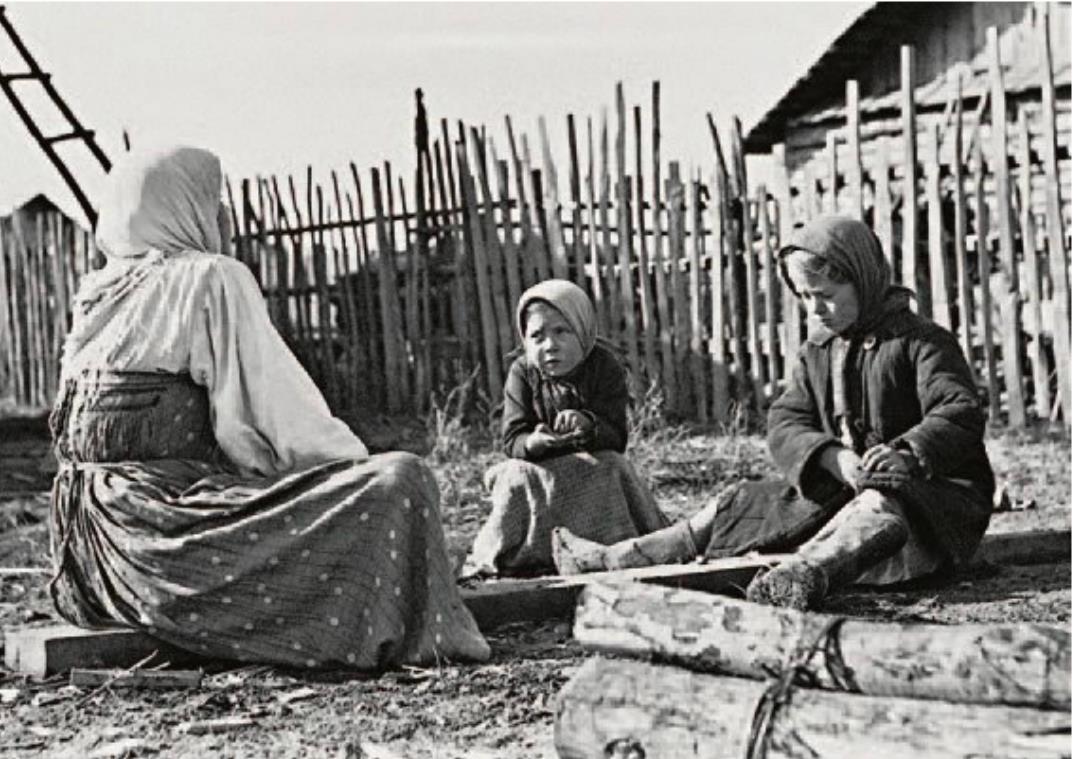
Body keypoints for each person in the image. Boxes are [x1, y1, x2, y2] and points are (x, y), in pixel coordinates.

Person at [48, 144, 489, 669]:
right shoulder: (209, 277)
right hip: (161, 535)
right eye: (214, 200)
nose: (224, 216)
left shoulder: (98, 291)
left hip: (87, 561)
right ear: (189, 207)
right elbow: (281, 427)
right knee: (401, 481)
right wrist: (357, 473)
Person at [553, 216, 994, 611]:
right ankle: (623, 556)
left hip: (930, 501)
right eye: (804, 297)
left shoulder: (919, 342)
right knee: (741, 502)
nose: (814, 309)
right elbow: (787, 420)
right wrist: (832, 458)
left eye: (825, 295)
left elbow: (958, 410)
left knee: (880, 508)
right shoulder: (818, 351)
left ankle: (805, 574)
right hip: (844, 488)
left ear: (863, 280)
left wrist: (909, 452)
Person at [460, 279, 669, 578]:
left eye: (561, 331)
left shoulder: (604, 366)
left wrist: (587, 424)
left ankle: (609, 541)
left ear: (582, 330)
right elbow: (512, 438)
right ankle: (523, 552)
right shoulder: (522, 373)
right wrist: (532, 442)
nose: (550, 345)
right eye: (537, 336)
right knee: (513, 475)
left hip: (590, 464)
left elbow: (617, 436)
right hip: (541, 468)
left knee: (613, 466)